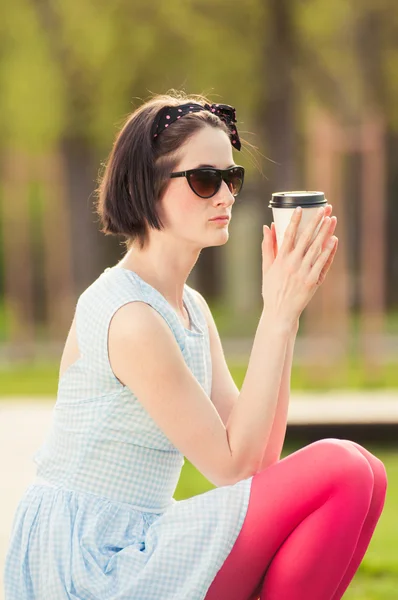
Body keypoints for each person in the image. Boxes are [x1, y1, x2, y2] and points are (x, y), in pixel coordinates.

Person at [4, 91, 387, 600]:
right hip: (90, 563)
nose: (226, 196)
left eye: (232, 179)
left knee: (368, 474)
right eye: (206, 180)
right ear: (147, 186)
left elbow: (258, 459)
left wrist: (286, 317)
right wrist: (274, 316)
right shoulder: (130, 316)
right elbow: (231, 467)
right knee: (341, 467)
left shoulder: (189, 308)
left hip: (139, 541)